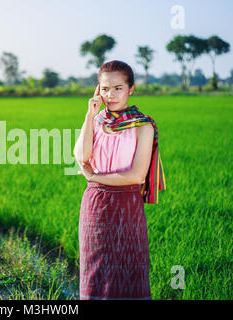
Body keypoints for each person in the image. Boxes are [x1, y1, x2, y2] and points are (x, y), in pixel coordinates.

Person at [73, 60, 166, 300]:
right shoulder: (96, 120)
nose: (110, 95)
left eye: (118, 88)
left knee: (129, 271)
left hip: (127, 206)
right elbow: (82, 156)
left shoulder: (143, 125)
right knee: (96, 272)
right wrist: (89, 115)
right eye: (105, 88)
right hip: (95, 207)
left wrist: (95, 176)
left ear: (131, 88)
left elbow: (136, 175)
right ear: (97, 90)